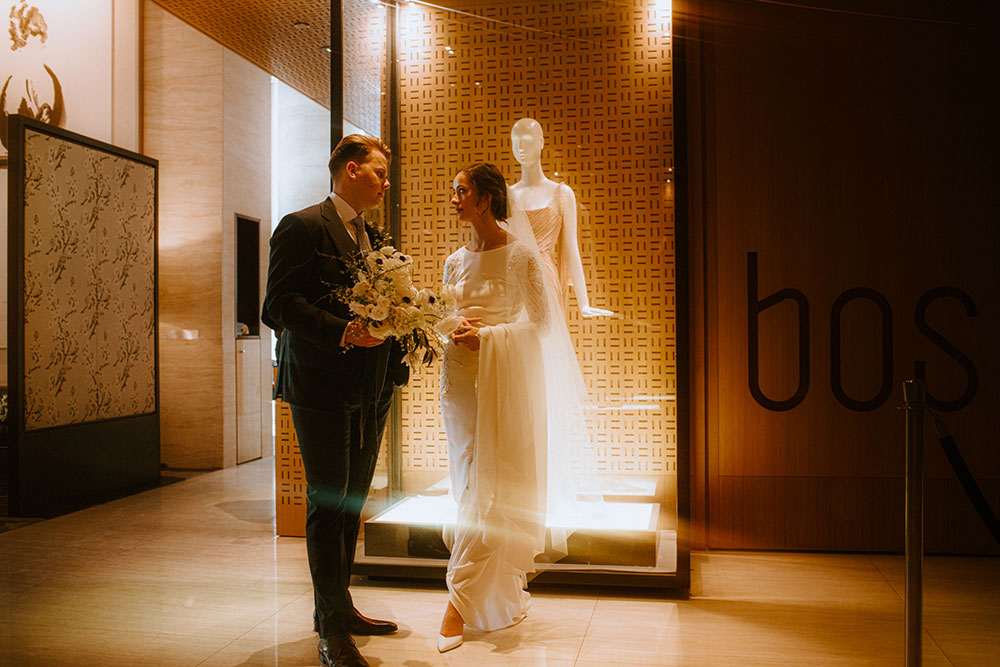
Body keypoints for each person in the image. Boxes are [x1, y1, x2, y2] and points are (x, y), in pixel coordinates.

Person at [262, 134, 408, 667]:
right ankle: (329, 630)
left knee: (350, 508)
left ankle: (341, 607)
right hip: (321, 386)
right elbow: (277, 305)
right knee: (328, 506)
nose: (386, 182)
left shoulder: (372, 235)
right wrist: (343, 331)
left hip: (370, 389)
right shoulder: (302, 226)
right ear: (350, 170)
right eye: (378, 173)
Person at [436, 163, 551, 652]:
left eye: (461, 191)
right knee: (467, 483)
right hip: (460, 381)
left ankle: (456, 605)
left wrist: (492, 338)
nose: (454, 199)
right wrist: (452, 328)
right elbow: (443, 317)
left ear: (485, 199)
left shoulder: (521, 255)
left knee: (494, 483)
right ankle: (494, 594)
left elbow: (542, 324)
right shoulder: (453, 261)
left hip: (504, 382)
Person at [509, 117, 612, 317]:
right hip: (513, 282)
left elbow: (571, 248)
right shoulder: (507, 195)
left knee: (546, 341)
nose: (520, 146)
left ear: (541, 142)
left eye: (527, 139)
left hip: (545, 279)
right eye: (515, 140)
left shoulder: (562, 194)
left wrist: (584, 303)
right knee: (516, 343)